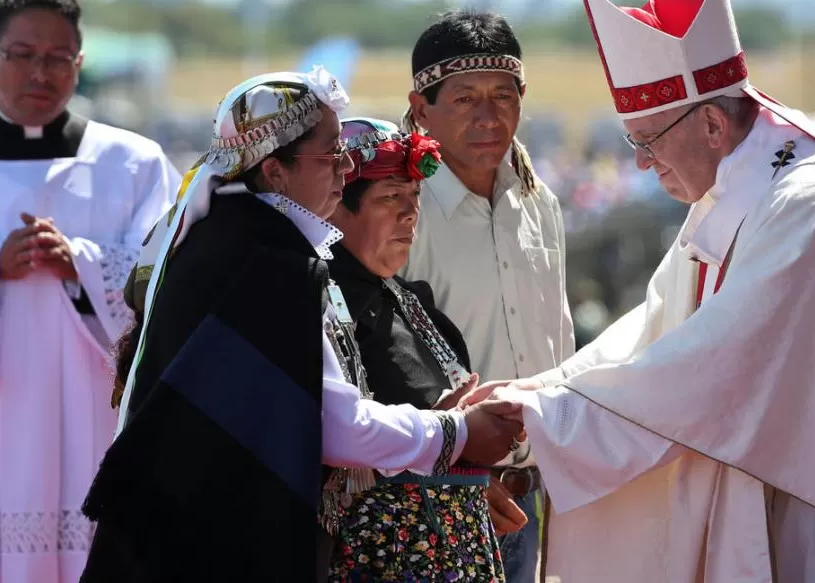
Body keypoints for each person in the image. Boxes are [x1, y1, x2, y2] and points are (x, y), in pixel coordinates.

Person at [466, 0, 815, 582]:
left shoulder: (809, 206)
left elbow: (704, 370)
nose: (639, 164)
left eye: (647, 140)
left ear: (713, 123)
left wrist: (531, 424)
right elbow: (656, 328)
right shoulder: (735, 189)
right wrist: (535, 393)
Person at [79, 70, 523, 583]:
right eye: (331, 154)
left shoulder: (233, 241)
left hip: (183, 532)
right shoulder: (268, 265)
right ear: (275, 171)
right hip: (205, 543)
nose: (343, 169)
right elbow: (336, 425)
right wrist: (459, 431)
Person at [0, 0, 180, 583]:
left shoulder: (134, 164)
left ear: (79, 65)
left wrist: (84, 264)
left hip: (92, 414)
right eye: (23, 54)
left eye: (58, 58)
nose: (41, 72)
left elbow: (170, 274)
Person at [400, 10, 575, 582]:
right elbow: (380, 364)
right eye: (464, 98)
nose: (487, 116)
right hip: (440, 498)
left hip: (536, 496)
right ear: (421, 107)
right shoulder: (401, 212)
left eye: (503, 96)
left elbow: (559, 344)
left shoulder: (538, 202)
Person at [325, 117, 527, 582]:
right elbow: (341, 435)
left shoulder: (410, 300)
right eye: (390, 198)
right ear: (337, 209)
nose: (410, 214)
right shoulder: (326, 313)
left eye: (414, 198)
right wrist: (452, 433)